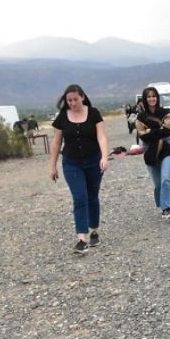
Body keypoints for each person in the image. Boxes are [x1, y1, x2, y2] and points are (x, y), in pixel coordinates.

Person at [49, 84, 109, 254]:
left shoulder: (94, 113)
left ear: (82, 97)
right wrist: (52, 166)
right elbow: (56, 142)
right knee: (80, 196)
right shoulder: (62, 117)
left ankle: (94, 230)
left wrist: (104, 157)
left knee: (92, 196)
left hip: (93, 161)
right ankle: (81, 239)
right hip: (71, 162)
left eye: (75, 99)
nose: (73, 103)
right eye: (69, 100)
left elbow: (101, 137)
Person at [135, 86, 170, 220]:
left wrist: (150, 131)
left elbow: (167, 131)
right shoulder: (141, 117)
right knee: (158, 184)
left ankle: (167, 208)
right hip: (150, 152)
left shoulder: (165, 112)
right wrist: (158, 130)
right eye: (149, 96)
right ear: (145, 99)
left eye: (154, 96)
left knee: (166, 179)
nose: (152, 99)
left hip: (166, 149)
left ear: (157, 98)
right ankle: (161, 203)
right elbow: (142, 136)